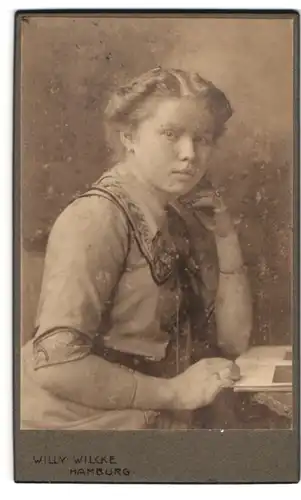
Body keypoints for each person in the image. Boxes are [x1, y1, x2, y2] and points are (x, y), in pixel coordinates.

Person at [21, 67, 253, 430]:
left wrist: (226, 239)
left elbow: (233, 341)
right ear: (129, 136)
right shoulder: (96, 218)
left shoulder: (180, 214)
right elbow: (56, 366)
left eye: (202, 138)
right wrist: (174, 393)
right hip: (79, 425)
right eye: (171, 134)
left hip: (149, 416)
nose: (189, 154)